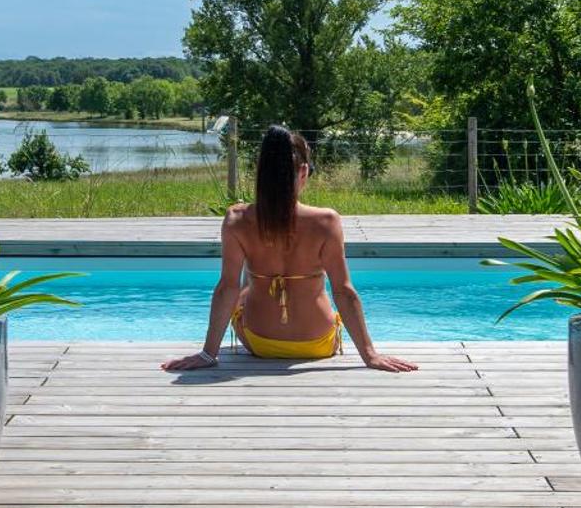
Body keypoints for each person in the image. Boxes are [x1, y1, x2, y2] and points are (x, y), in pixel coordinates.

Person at [161, 123, 417, 374]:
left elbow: (227, 287)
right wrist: (370, 355)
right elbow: (344, 291)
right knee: (320, 288)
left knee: (244, 284)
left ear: (260, 174)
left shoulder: (236, 219)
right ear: (303, 171)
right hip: (317, 342)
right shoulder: (326, 222)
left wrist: (208, 353)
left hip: (259, 341)